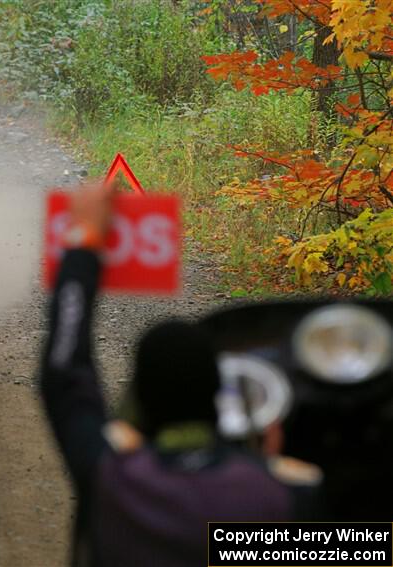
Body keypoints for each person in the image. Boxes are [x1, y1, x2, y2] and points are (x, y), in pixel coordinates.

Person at [39, 183, 322, 567]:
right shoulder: (279, 496)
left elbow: (64, 372)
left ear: (139, 406)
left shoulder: (113, 479)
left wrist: (82, 240)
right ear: (218, 397)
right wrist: (267, 467)